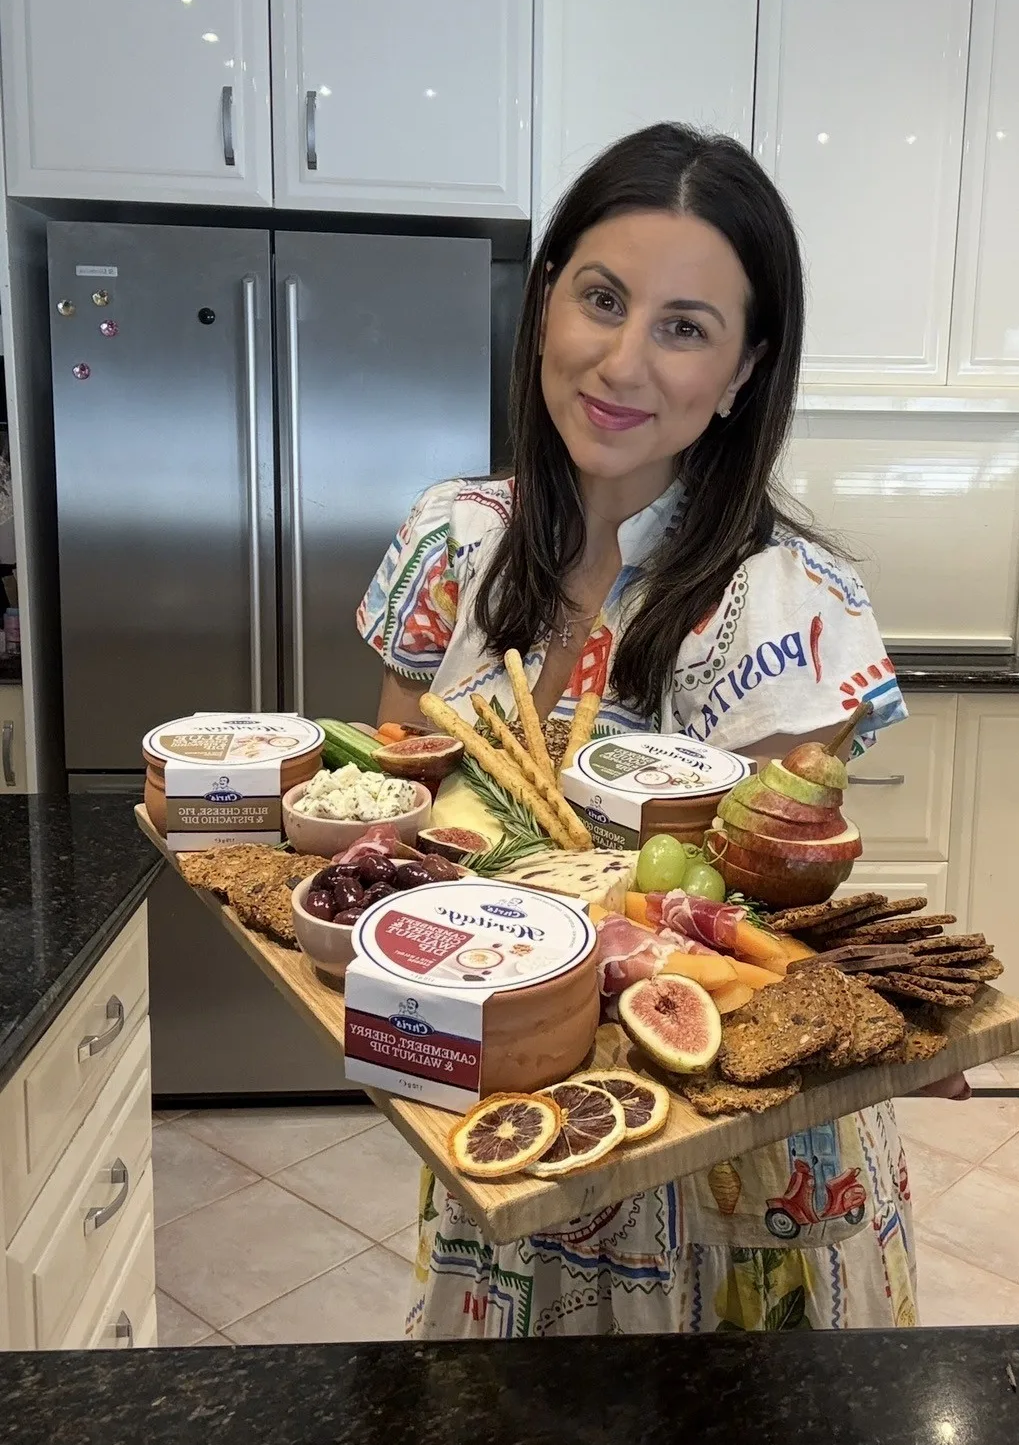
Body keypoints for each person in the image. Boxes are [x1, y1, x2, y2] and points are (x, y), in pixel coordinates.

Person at [358, 123, 965, 1338]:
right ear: (544, 307)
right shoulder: (455, 538)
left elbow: (765, 912)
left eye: (685, 326)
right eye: (601, 297)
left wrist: (895, 1010)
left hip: (727, 1175)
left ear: (743, 373)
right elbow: (399, 806)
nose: (622, 361)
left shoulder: (780, 604)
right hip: (519, 1117)